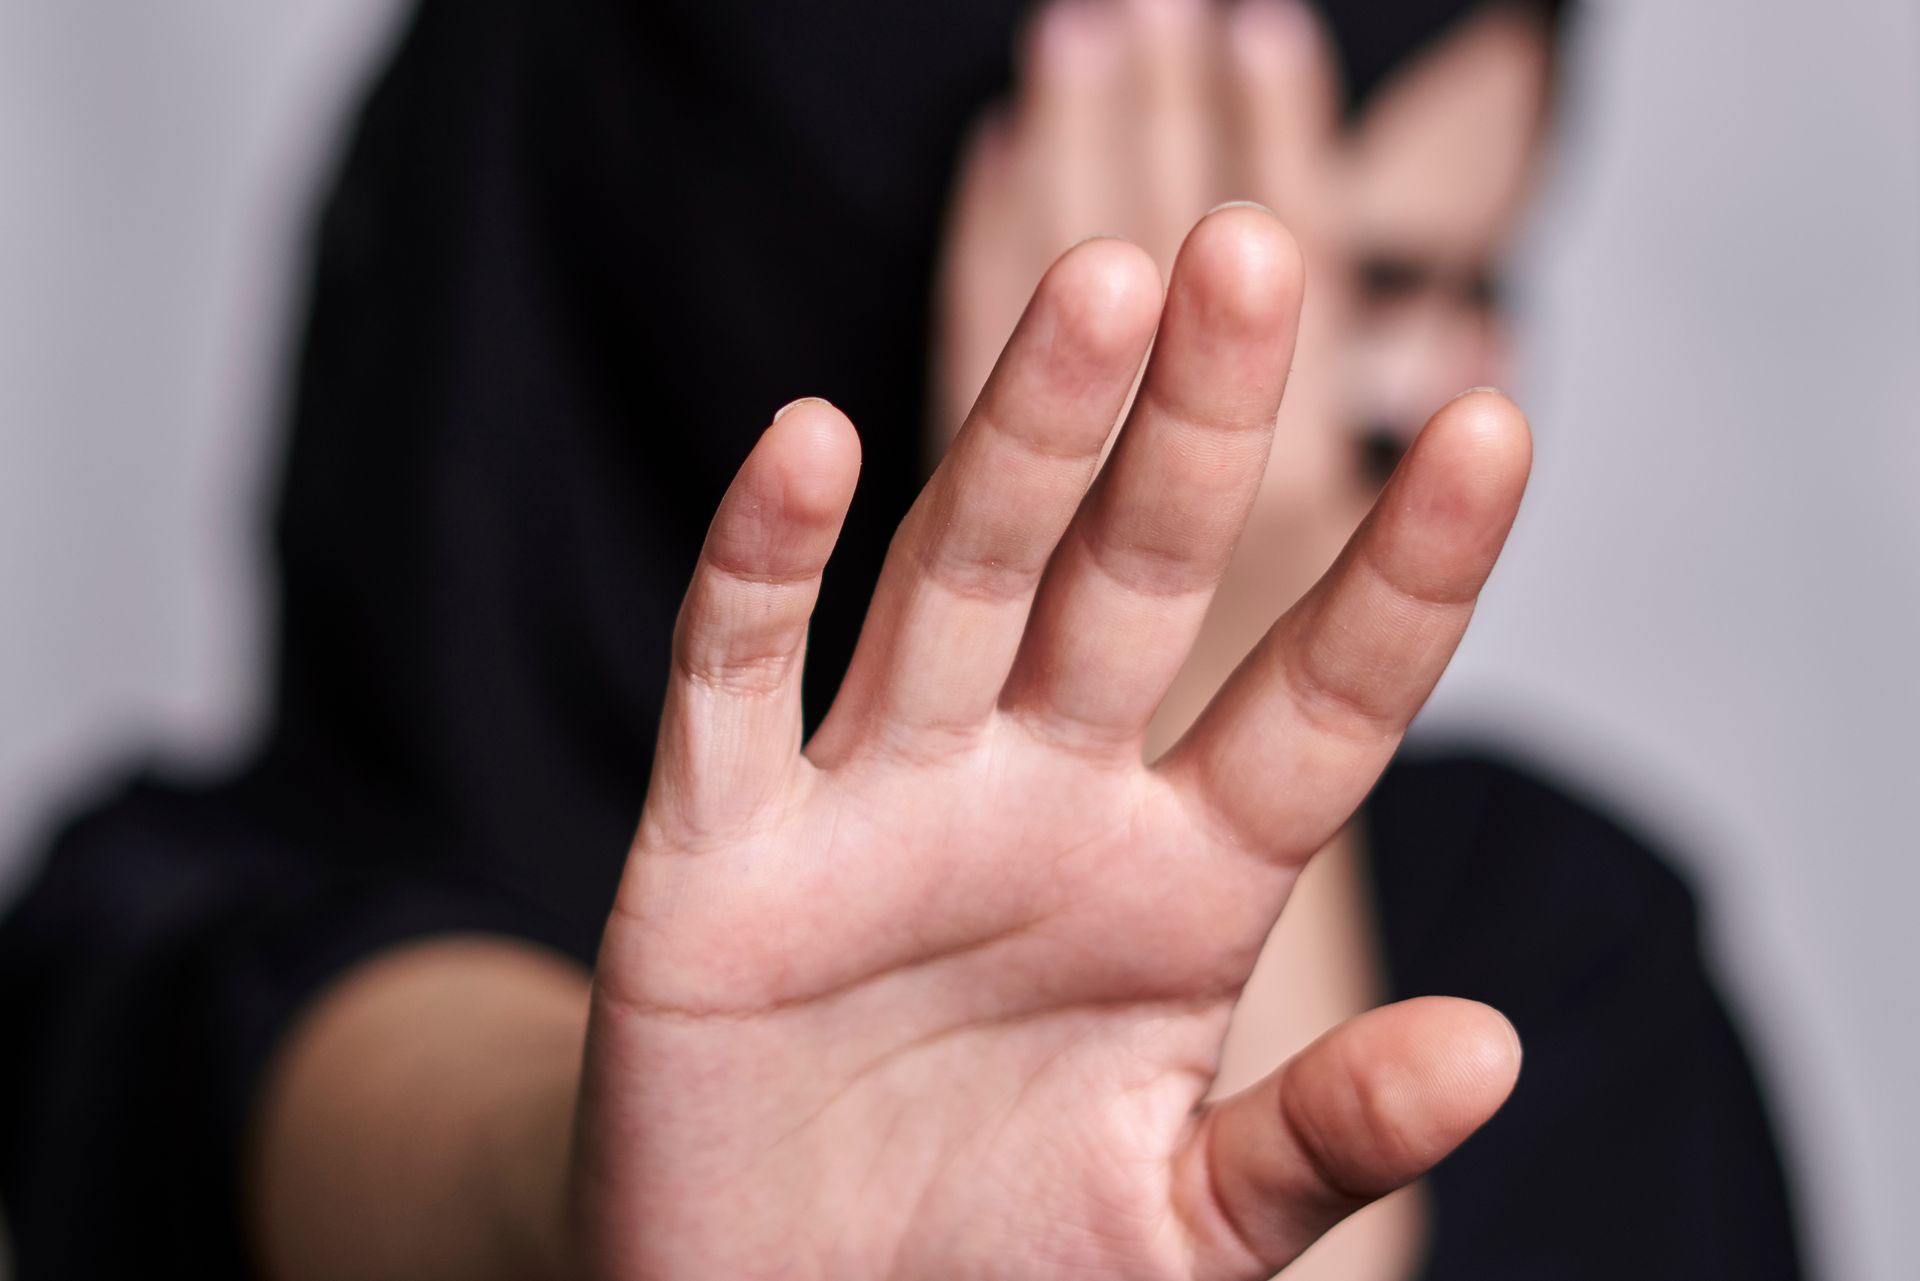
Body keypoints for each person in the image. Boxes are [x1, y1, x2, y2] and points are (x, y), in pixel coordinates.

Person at [0, 1, 1803, 1278]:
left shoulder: (1567, 951)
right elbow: (447, 1136)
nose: (1467, 386)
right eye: (1381, 280)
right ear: (829, 251)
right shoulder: (173, 933)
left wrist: (1195, 691)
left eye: (1493, 278)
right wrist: (644, 1199)